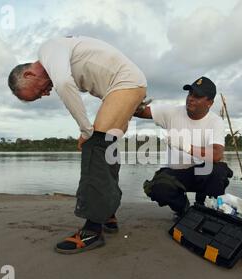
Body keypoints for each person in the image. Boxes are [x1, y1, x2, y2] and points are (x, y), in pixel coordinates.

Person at [8, 36, 147, 254]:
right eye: (40, 96)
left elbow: (63, 83)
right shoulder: (60, 56)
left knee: (94, 145)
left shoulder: (48, 49)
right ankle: (107, 212)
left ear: (28, 74)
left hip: (125, 83)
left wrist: (86, 130)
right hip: (126, 86)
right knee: (106, 150)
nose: (45, 94)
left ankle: (92, 230)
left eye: (38, 92)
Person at [135, 77, 233, 216]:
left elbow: (217, 155)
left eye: (197, 96)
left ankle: (204, 206)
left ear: (209, 103)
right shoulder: (171, 112)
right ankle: (183, 209)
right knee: (158, 187)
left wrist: (185, 146)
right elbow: (140, 112)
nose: (191, 99)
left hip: (201, 173)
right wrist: (136, 104)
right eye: (190, 94)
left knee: (217, 173)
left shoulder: (215, 122)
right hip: (177, 174)